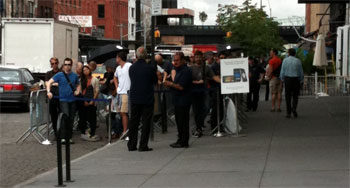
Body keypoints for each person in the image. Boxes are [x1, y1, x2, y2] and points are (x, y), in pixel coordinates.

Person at [127, 47, 158, 152]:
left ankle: (131, 144)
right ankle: (143, 145)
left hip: (135, 97)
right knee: (146, 122)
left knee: (133, 122)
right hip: (147, 97)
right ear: (146, 56)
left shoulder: (132, 68)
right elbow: (154, 81)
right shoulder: (150, 68)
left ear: (136, 56)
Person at [47, 58, 80, 144]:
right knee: (65, 117)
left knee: (71, 118)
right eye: (65, 64)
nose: (67, 66)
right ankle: (63, 137)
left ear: (71, 66)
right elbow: (49, 82)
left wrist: (77, 91)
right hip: (63, 100)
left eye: (69, 64)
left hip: (72, 100)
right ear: (63, 65)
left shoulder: (74, 76)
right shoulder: (59, 75)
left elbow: (78, 84)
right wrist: (48, 92)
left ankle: (69, 137)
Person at [164, 52, 192, 148]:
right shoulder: (177, 70)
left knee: (183, 121)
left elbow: (181, 87)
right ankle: (181, 139)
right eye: (174, 60)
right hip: (177, 100)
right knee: (179, 121)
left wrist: (170, 84)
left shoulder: (186, 71)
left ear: (183, 60)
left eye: (177, 60)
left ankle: (183, 141)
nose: (175, 62)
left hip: (183, 100)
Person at [190, 50, 220, 138]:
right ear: (194, 58)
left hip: (204, 90)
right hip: (194, 91)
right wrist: (196, 82)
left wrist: (222, 82)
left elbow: (214, 77)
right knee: (195, 110)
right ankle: (197, 127)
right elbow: (188, 80)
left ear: (202, 58)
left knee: (206, 107)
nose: (198, 59)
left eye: (200, 57)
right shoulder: (191, 68)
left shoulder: (206, 68)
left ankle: (199, 124)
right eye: (197, 57)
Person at [280, 48, 304, 118]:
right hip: (296, 79)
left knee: (288, 96)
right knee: (295, 96)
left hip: (287, 79)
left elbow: (282, 71)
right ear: (295, 53)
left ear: (288, 53)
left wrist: (282, 79)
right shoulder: (298, 61)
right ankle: (294, 108)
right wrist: (301, 80)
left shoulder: (285, 60)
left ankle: (288, 112)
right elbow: (301, 72)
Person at [113, 52, 132, 139]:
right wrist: (117, 87)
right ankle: (122, 130)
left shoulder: (129, 65)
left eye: (117, 57)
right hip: (120, 92)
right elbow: (115, 77)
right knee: (120, 112)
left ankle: (125, 132)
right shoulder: (117, 68)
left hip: (126, 92)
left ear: (119, 58)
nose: (116, 59)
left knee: (124, 112)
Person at [79, 65, 100, 141]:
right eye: (84, 70)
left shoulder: (94, 79)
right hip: (83, 100)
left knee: (92, 118)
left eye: (87, 70)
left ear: (90, 70)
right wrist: (84, 101)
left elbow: (97, 91)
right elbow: (80, 91)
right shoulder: (81, 80)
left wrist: (92, 101)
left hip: (92, 100)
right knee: (83, 117)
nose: (85, 71)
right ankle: (84, 132)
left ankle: (92, 132)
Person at [45, 57, 61, 138]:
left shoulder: (61, 72)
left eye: (55, 63)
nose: (54, 65)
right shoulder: (48, 73)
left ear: (58, 63)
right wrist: (54, 83)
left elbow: (61, 84)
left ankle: (62, 132)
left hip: (61, 97)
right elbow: (46, 83)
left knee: (61, 115)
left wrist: (51, 83)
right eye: (52, 63)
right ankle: (56, 133)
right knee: (54, 116)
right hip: (52, 98)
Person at [210, 52, 225, 133]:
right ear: (218, 58)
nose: (222, 59)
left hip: (223, 89)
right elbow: (211, 78)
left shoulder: (226, 66)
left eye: (224, 58)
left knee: (221, 108)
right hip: (215, 89)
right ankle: (214, 126)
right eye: (221, 58)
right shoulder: (214, 67)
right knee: (215, 109)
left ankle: (220, 125)